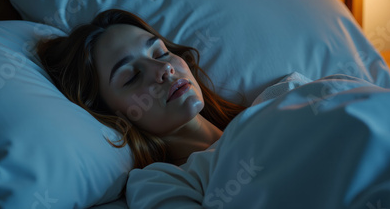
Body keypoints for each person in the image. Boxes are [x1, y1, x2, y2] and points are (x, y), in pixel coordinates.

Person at [37, 9, 246, 168]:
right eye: (132, 77)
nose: (165, 68)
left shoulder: (270, 101)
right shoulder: (163, 184)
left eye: (159, 53)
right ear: (109, 113)